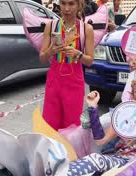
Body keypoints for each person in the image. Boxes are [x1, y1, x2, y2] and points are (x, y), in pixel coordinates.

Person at [39, 0, 94, 130]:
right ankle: (51, 150)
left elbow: (90, 60)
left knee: (72, 123)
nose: (66, 8)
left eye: (71, 4)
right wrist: (50, 51)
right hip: (54, 80)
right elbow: (42, 58)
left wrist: (78, 54)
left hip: (74, 80)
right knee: (50, 121)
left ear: (79, 5)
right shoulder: (51, 26)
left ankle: (69, 150)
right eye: (63, 4)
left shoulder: (86, 29)